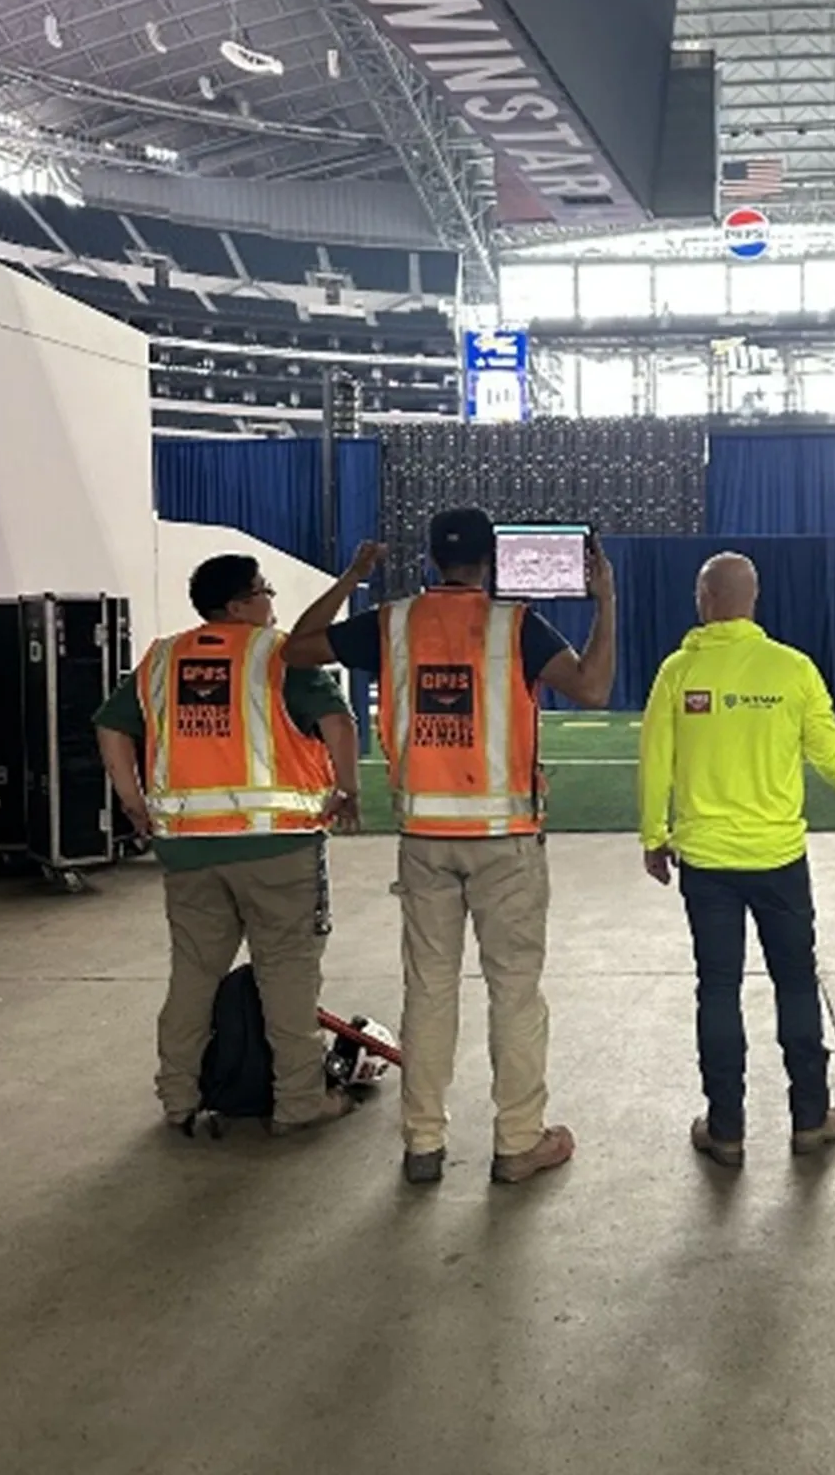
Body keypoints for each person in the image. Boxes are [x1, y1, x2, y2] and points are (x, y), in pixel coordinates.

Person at [283, 508, 615, 1186]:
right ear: (490, 560)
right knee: (515, 994)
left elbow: (297, 645)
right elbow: (593, 685)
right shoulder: (516, 627)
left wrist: (352, 575)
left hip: (426, 839)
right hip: (505, 842)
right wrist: (605, 601)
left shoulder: (393, 624)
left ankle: (424, 1145)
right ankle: (519, 1141)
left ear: (430, 559)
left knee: (428, 992)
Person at [94, 553, 362, 1135]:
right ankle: (299, 1101)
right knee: (288, 976)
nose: (272, 602)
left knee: (193, 975)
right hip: (277, 848)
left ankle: (178, 1099)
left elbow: (111, 725)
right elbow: (339, 723)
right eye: (264, 592)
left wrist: (133, 802)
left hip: (188, 850)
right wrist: (347, 788)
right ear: (240, 605)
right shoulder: (279, 654)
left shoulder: (163, 658)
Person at [638, 552, 835, 1168]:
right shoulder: (792, 669)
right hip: (779, 859)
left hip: (707, 864)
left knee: (718, 989)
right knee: (796, 982)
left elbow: (655, 763)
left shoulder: (678, 671)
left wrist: (653, 835)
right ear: (754, 599)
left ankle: (726, 1128)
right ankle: (810, 1118)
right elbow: (827, 749)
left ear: (704, 599)